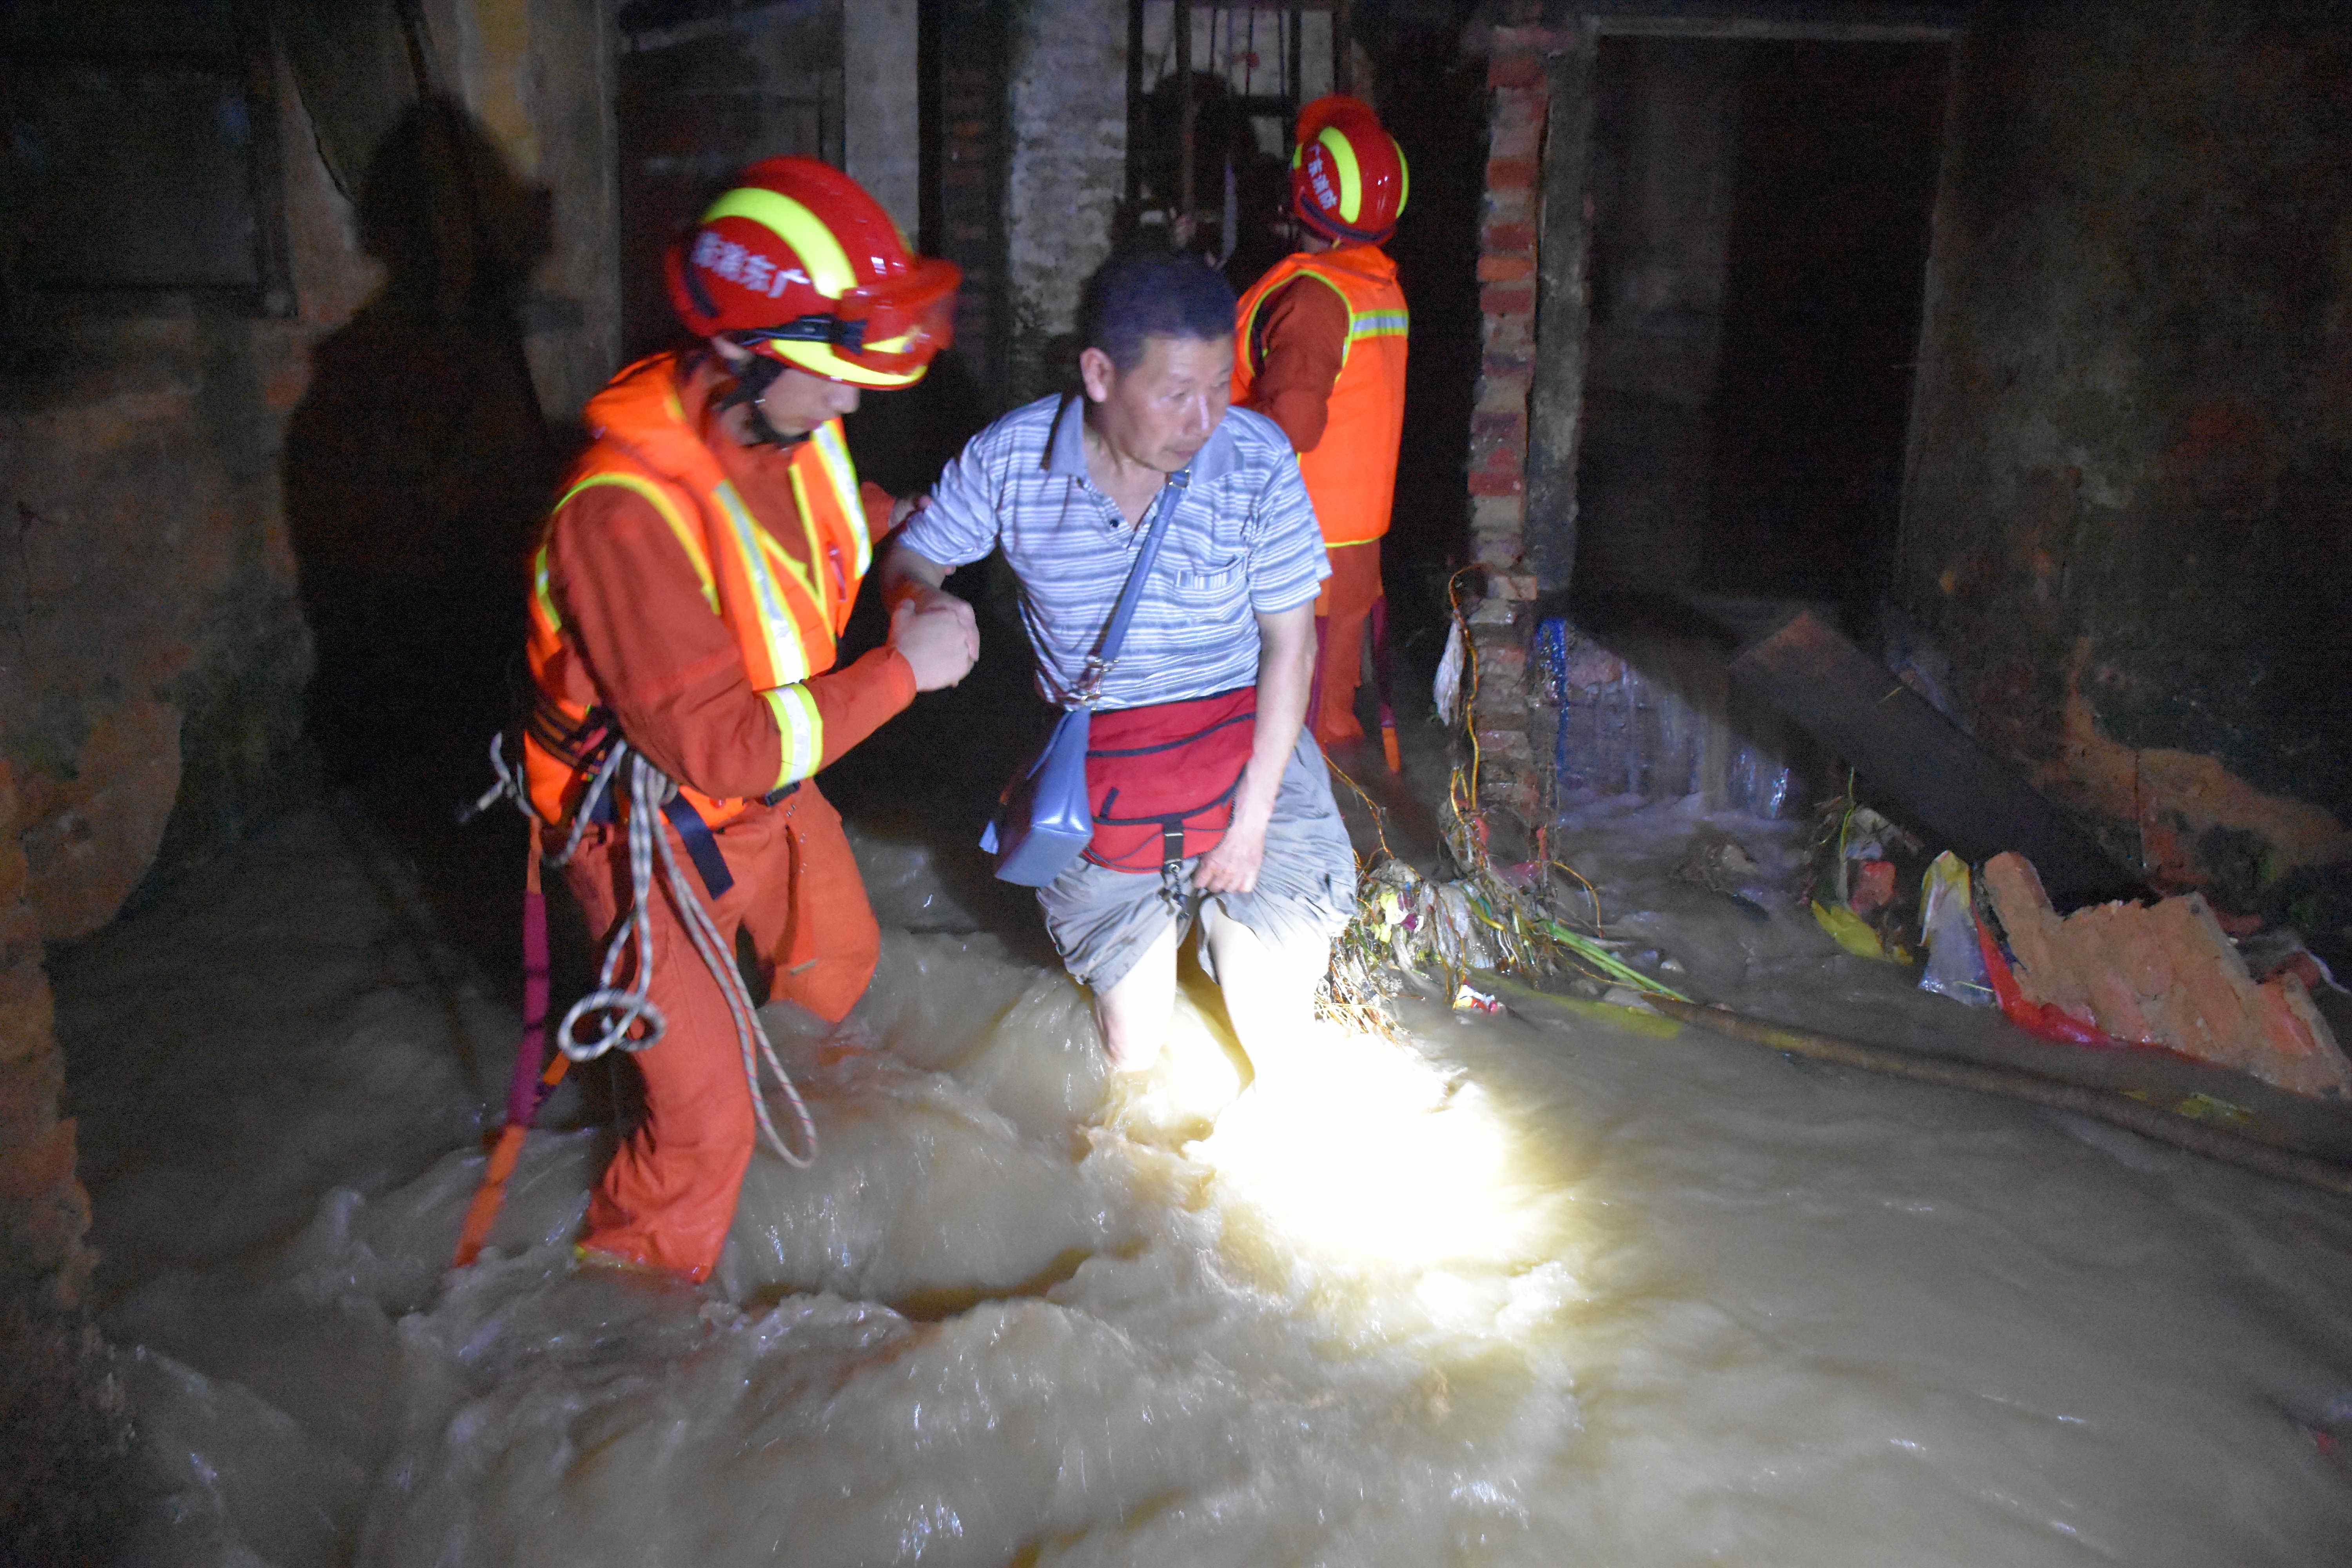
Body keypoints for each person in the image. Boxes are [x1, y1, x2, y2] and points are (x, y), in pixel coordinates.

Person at [522, 159, 979, 1282]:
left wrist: (905, 526)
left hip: (765, 787)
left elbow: (802, 536)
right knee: (703, 1132)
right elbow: (718, 743)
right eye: (832, 375)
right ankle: (627, 1329)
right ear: (739, 352)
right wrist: (904, 672)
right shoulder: (621, 515)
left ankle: (817, 1145)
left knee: (839, 958)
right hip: (641, 830)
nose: (855, 400)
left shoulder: (786, 424)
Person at [878, 250, 1357, 1083]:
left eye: (1219, 386)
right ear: (1099, 373)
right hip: (1102, 772)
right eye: (1176, 394)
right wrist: (919, 609)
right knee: (1134, 1056)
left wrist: (1248, 826)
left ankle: (1232, 928)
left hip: (1248, 742)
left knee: (1275, 1030)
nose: (1204, 418)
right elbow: (913, 559)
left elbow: (1292, 645)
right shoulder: (1010, 459)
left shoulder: (1257, 457)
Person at [1230, 95, 1410, 757]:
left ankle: (1298, 853)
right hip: (1351, 550)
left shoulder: (1315, 298)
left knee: (1294, 731)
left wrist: (1203, 422)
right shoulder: (1377, 287)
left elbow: (1293, 425)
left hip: (1300, 552)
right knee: (1324, 716)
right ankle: (1348, 841)